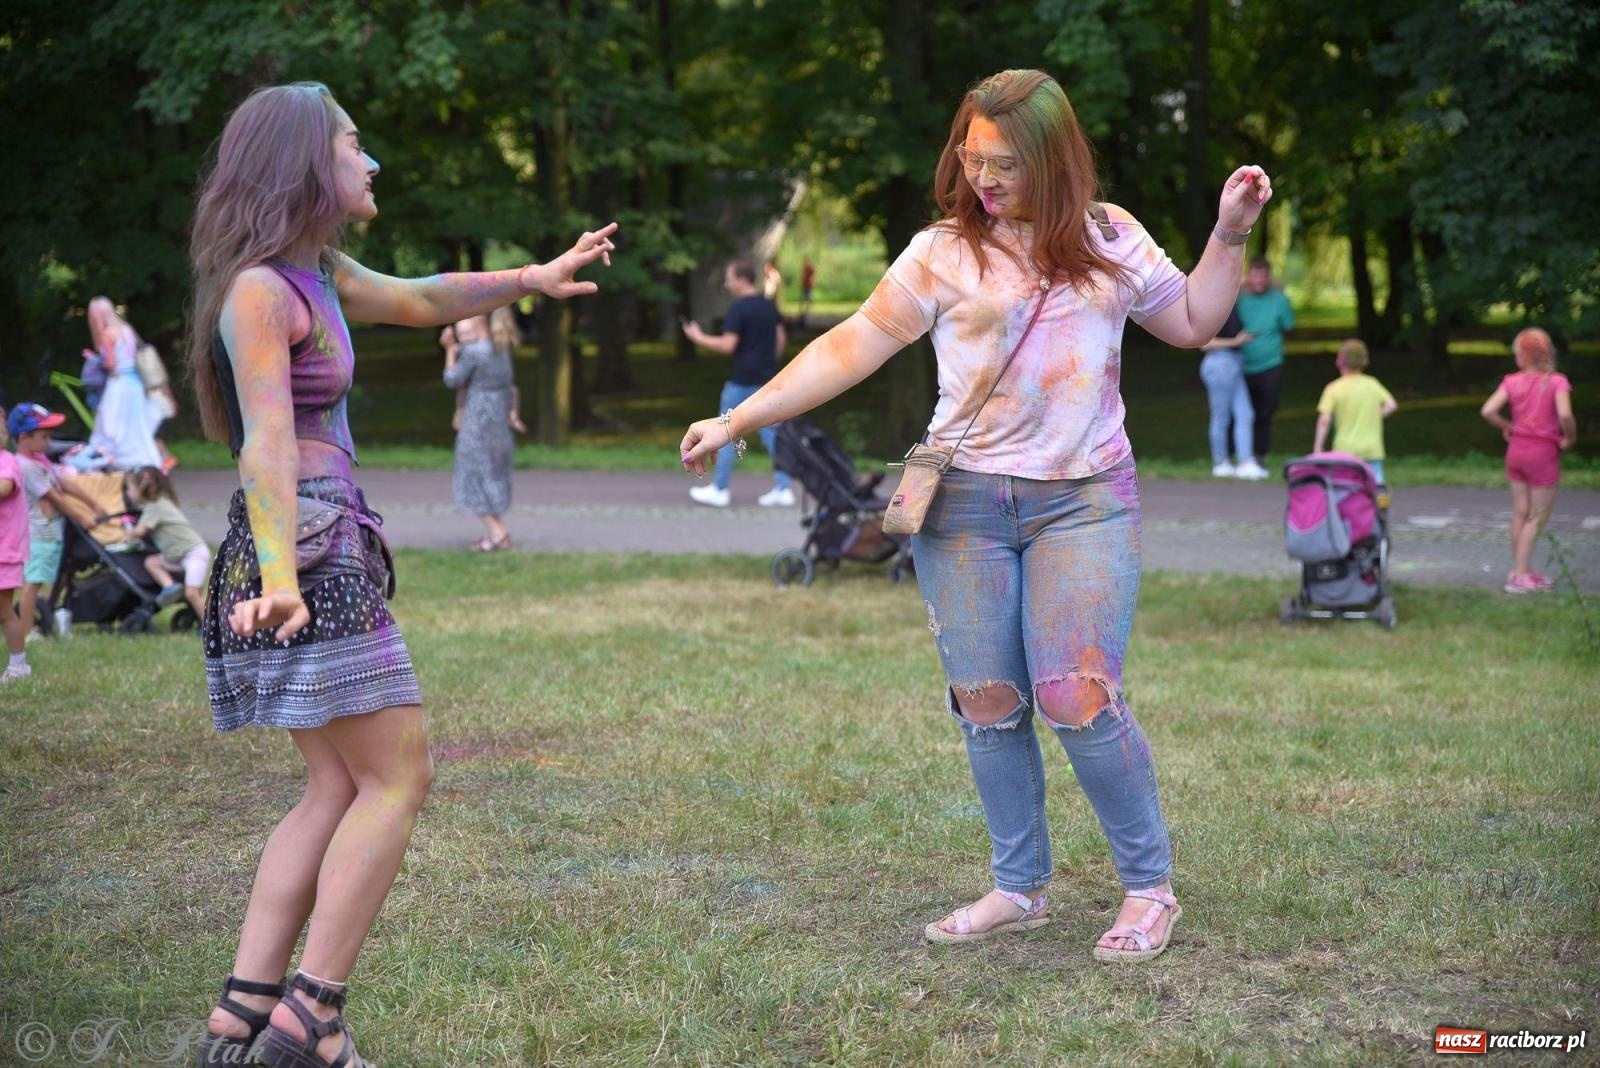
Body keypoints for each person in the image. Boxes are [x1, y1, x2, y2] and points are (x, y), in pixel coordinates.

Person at [680, 69, 1272, 961]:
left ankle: (1149, 888)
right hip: (962, 505)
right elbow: (851, 344)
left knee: (1074, 695)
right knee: (988, 701)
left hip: (1083, 501)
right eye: (972, 154)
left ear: (1051, 159)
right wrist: (736, 419)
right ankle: (1019, 886)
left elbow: (1192, 320)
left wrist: (1228, 236)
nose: (982, 175)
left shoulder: (1110, 237)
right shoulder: (941, 251)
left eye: (1004, 162)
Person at [184, 80, 615, 1067]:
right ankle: (311, 1018)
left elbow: (424, 300)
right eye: (352, 146)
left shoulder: (317, 273)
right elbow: (265, 443)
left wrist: (532, 277)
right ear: (303, 165)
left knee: (335, 785)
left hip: (314, 546)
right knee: (398, 775)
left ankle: (239, 1021)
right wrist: (286, 575)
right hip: (304, 550)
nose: (370, 162)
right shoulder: (259, 290)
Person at [681, 260, 795, 508]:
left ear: (742, 279)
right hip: (767, 381)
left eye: (729, 277)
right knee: (774, 436)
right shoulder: (768, 307)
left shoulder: (739, 309)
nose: (726, 283)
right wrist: (767, 362)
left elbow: (727, 345)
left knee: (725, 432)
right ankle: (783, 488)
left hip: (742, 382)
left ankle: (720, 489)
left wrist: (698, 338)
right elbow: (780, 339)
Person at [1479, 327, 1577, 594]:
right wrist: (1569, 438)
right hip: (1543, 454)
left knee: (1521, 513)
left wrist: (1507, 426)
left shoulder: (1511, 381)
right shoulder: (1556, 382)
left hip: (1517, 452)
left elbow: (1488, 410)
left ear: (1522, 356)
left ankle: (1520, 569)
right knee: (1537, 516)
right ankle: (1520, 575)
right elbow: (1565, 415)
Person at [11, 403, 101, 648]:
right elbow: (54, 497)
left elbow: (65, 484)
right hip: (38, 533)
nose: (49, 442)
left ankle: (38, 620)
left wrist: (93, 503)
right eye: (44, 436)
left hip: (50, 533)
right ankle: (27, 630)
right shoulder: (26, 466)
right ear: (24, 437)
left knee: (42, 579)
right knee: (33, 583)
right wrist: (82, 517)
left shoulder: (40, 459)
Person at [442, 304, 519, 551]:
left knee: (472, 472)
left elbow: (452, 379)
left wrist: (449, 351)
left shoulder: (475, 352)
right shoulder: (500, 347)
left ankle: (497, 534)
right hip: (497, 418)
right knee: (491, 472)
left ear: (478, 324)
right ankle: (498, 531)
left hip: (478, 418)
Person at [84, 297, 165, 471]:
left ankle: (118, 461)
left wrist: (94, 359)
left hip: (118, 384)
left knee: (112, 425)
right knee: (137, 425)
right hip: (135, 383)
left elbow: (111, 363)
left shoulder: (106, 335)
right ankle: (145, 461)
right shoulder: (127, 330)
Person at [125, 465, 211, 620]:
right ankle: (169, 586)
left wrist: (128, 532)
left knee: (192, 594)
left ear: (140, 489)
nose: (128, 493)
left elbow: (140, 532)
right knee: (152, 562)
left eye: (129, 488)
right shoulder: (160, 502)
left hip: (193, 553)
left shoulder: (155, 507)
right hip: (178, 556)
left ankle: (210, 628)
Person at [1234, 255, 1294, 465]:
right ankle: (1240, 454)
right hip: (1241, 363)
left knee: (1265, 410)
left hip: (1271, 364)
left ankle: (1260, 455)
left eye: (1263, 276)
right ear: (1248, 276)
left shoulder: (1279, 298)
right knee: (1241, 411)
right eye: (1255, 275)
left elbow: (1288, 326)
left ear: (1269, 277)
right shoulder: (1238, 297)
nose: (1259, 280)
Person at [1312, 339, 1397, 484]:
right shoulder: (1372, 384)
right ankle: (1381, 504)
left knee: (1345, 486)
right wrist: (1375, 416)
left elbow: (1324, 420)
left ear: (1340, 361)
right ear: (1364, 361)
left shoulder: (1333, 388)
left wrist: (1318, 447)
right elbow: (1391, 405)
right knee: (1376, 485)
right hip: (1372, 448)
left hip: (1345, 450)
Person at [1197, 306, 1264, 478]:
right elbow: (1204, 344)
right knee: (1221, 417)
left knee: (1245, 414)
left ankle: (1245, 462)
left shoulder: (1231, 302)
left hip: (1233, 362)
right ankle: (1221, 463)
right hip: (1220, 363)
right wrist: (1236, 342)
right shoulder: (1214, 308)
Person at [0, 407, 31, 683]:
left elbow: (5, 488)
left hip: (5, 553)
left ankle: (19, 664)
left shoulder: (6, 461)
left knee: (4, 610)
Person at [800, 257, 816, 326]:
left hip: (808, 285)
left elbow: (814, 274)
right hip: (805, 285)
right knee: (803, 298)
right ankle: (803, 310)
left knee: (808, 297)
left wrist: (812, 282)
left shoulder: (809, 267)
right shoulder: (804, 267)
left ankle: (807, 309)